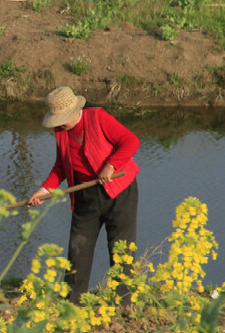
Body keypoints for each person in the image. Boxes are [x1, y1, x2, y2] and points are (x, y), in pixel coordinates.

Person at [27, 87, 140, 303]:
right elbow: (61, 165)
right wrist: (43, 191)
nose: (60, 124)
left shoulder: (97, 117)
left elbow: (131, 141)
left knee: (120, 249)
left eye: (63, 119)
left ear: (74, 111)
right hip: (84, 193)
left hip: (119, 191)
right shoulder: (61, 130)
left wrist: (110, 166)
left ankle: (122, 303)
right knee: (78, 248)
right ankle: (73, 302)